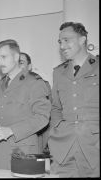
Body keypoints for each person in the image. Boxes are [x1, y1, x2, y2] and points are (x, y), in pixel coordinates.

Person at [0, 39, 51, 169]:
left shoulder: (34, 82)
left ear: (16, 57)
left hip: (23, 151)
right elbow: (0, 110)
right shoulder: (2, 83)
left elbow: (42, 117)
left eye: (3, 57)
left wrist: (11, 130)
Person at [48, 22, 99, 177]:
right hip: (64, 148)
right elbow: (56, 108)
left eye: (67, 40)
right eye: (60, 42)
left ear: (82, 40)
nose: (62, 46)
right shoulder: (58, 72)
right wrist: (57, 130)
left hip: (94, 148)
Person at [19, 52, 52, 154]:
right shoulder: (7, 85)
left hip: (35, 134)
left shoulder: (40, 83)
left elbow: (44, 116)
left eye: (21, 62)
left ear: (29, 67)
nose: (18, 66)